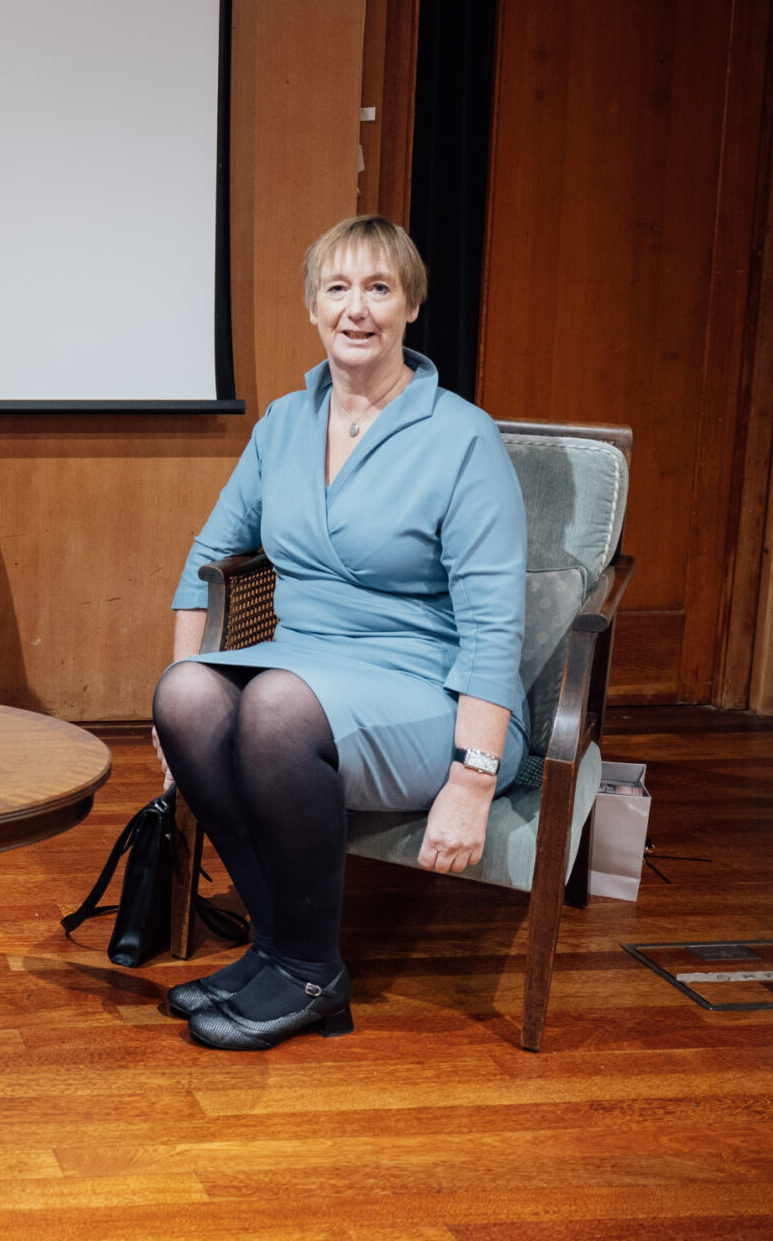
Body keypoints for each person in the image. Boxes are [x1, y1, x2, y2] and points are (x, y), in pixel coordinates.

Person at [150, 215, 527, 1051]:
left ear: (412, 306)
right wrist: (189, 674)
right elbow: (208, 556)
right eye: (338, 288)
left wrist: (473, 778)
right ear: (314, 308)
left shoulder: (461, 437)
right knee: (185, 695)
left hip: (428, 687)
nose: (358, 309)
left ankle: (312, 971)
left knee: (278, 707)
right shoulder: (284, 422)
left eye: (380, 288)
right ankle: (279, 949)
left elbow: (497, 624)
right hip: (306, 665)